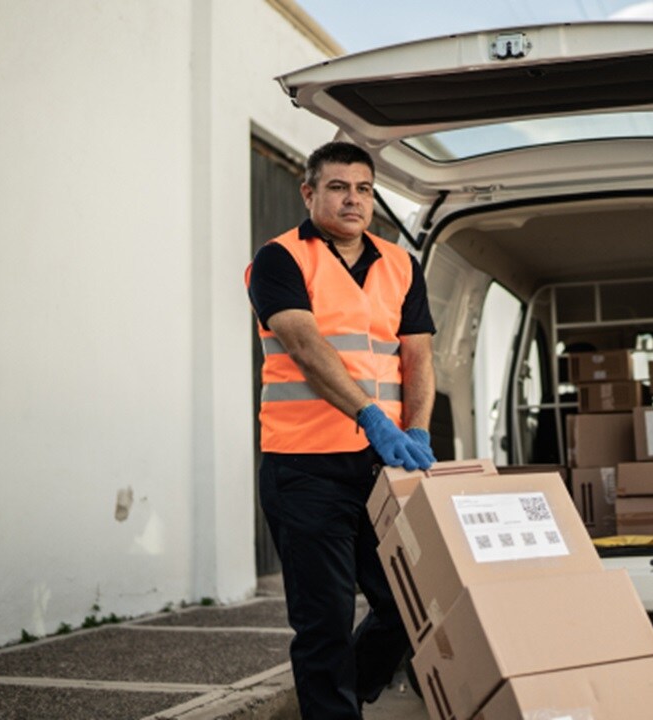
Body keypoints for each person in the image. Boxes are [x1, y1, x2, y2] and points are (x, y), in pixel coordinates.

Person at [246, 141, 436, 719]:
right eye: (337, 187)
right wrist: (372, 416)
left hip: (383, 467)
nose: (352, 199)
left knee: (410, 605)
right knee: (324, 620)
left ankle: (342, 700)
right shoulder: (280, 259)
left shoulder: (401, 264)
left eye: (363, 188)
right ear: (309, 193)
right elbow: (305, 344)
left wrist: (418, 429)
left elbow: (419, 359)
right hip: (305, 466)